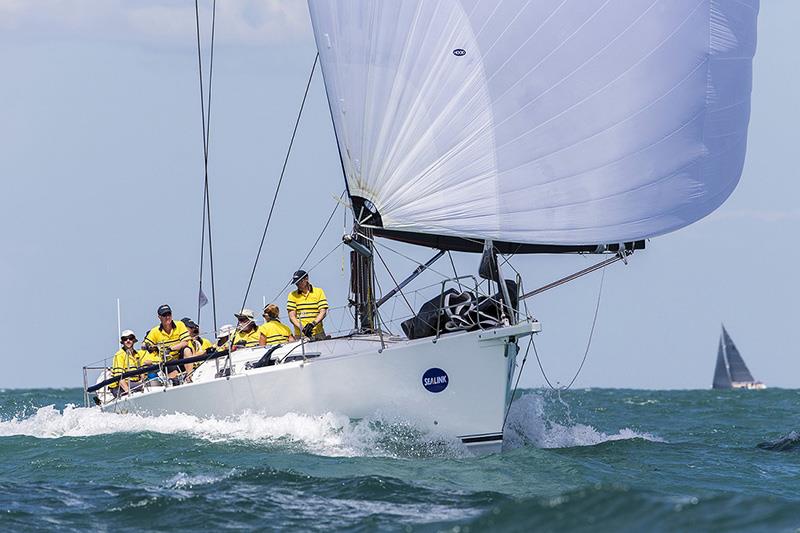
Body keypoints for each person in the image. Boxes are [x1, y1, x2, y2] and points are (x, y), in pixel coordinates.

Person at [142, 304, 194, 381]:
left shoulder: (179, 325)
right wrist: (147, 345)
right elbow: (143, 345)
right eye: (164, 315)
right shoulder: (155, 331)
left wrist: (171, 348)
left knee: (187, 350)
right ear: (159, 317)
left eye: (169, 314)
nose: (167, 317)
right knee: (173, 371)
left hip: (181, 357)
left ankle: (190, 378)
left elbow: (185, 342)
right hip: (167, 360)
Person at [287, 270, 328, 341]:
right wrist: (303, 329)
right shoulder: (292, 295)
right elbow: (292, 317)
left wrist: (312, 324)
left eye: (300, 282)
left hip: (318, 333)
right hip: (301, 335)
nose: (297, 284)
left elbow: (323, 312)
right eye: (296, 283)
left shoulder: (319, 292)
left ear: (306, 279)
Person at [109, 329, 146, 397]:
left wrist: (142, 381)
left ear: (134, 340)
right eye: (125, 339)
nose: (128, 340)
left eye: (130, 338)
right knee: (146, 387)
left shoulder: (137, 354)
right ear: (122, 342)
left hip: (134, 383)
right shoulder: (119, 355)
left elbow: (141, 372)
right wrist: (128, 392)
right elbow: (119, 377)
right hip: (120, 387)